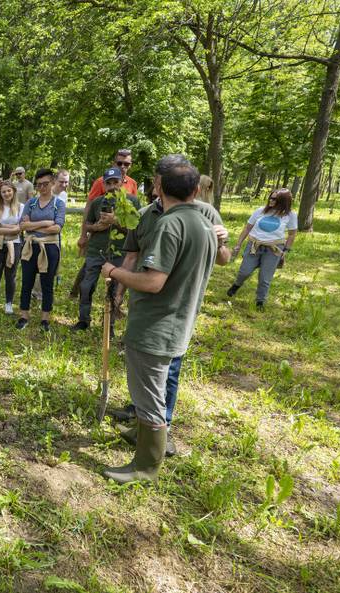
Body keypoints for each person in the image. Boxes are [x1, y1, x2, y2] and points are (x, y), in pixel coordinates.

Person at [99, 159, 218, 485]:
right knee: (153, 391)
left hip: (156, 326)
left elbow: (153, 282)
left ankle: (146, 466)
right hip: (179, 322)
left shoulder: (170, 224)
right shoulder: (204, 223)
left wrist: (114, 272)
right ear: (196, 190)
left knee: (149, 396)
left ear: (158, 187)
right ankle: (142, 435)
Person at [72, 167, 140, 333]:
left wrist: (115, 221)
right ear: (104, 184)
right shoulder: (97, 202)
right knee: (86, 286)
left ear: (121, 182)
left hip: (119, 252)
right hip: (96, 251)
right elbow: (88, 224)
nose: (112, 186)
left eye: (115, 182)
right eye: (108, 183)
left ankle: (108, 325)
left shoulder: (131, 202)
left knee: (114, 290)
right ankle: (83, 320)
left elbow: (136, 229)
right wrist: (96, 227)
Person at [72, 149, 138, 298]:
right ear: (114, 163)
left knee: (118, 275)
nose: (123, 166)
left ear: (130, 165)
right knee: (89, 267)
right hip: (99, 237)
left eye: (126, 164)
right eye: (119, 163)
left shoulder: (132, 184)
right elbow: (89, 207)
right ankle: (76, 291)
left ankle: (115, 304)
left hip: (120, 240)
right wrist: (84, 234)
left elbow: (133, 215)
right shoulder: (101, 181)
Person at [227, 188, 297, 308]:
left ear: (283, 201)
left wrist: (286, 250)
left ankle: (260, 302)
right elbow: (247, 228)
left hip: (274, 249)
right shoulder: (260, 211)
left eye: (274, 199)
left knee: (265, 277)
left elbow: (292, 234)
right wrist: (238, 244)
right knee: (244, 271)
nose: (271, 200)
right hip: (254, 245)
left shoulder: (290, 215)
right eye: (270, 197)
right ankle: (236, 285)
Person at [17, 169, 66, 331]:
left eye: (45, 184)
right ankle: (24, 315)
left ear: (52, 183)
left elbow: (57, 227)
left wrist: (34, 225)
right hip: (30, 247)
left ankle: (45, 318)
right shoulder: (31, 203)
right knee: (27, 282)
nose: (42, 188)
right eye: (39, 185)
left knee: (47, 284)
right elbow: (23, 226)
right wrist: (46, 222)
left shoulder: (58, 204)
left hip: (50, 248)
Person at [0, 182, 22, 314]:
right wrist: (11, 228)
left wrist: (0, 225)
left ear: (13, 191)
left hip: (15, 244)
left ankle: (8, 304)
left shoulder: (21, 207)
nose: (7, 194)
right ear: (0, 194)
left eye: (9, 191)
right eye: (3, 192)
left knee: (10, 275)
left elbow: (20, 229)